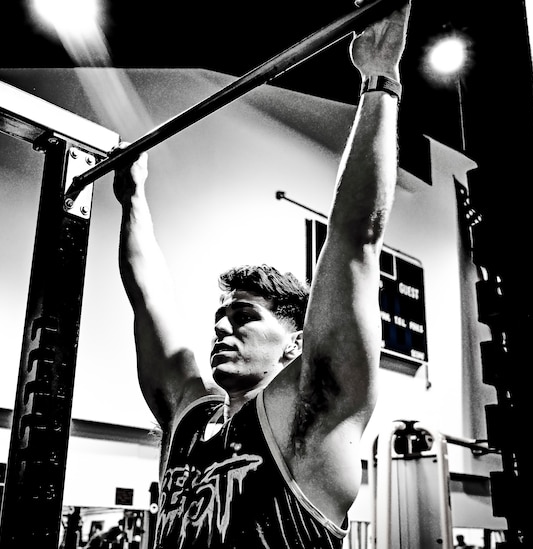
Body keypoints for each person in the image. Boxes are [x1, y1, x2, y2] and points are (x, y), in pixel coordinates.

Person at [111, 1, 410, 546]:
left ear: (296, 342)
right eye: (221, 316)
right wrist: (132, 195)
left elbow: (353, 241)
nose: (221, 329)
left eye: (244, 316)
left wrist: (380, 81)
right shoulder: (189, 417)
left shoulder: (308, 422)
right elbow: (147, 296)